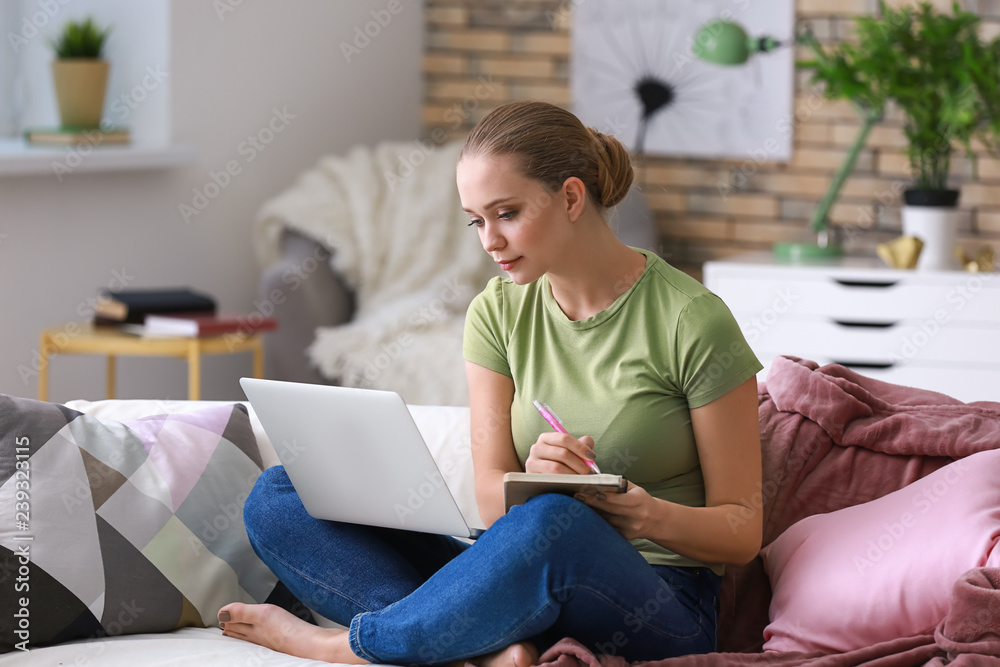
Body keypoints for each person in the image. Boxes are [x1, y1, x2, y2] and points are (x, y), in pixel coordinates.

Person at [217, 100, 764, 666]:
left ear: (572, 197)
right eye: (477, 220)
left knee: (555, 524)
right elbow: (489, 494)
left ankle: (354, 646)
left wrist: (644, 513)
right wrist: (530, 481)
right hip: (512, 564)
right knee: (282, 494)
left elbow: (743, 529)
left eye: (506, 213)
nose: (489, 241)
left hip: (661, 602)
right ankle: (476, 648)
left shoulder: (691, 319)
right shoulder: (497, 312)